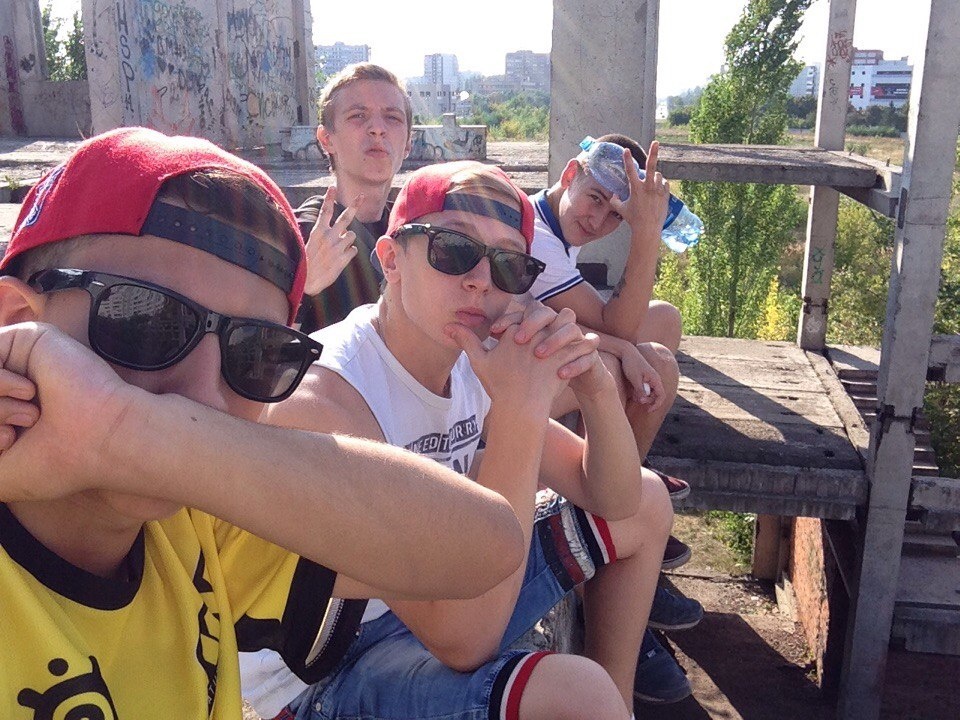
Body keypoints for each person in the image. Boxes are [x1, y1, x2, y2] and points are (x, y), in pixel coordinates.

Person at [0, 128, 527, 719]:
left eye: (254, 353)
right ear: (18, 320)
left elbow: (485, 545)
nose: (203, 399)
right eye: (146, 321)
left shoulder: (195, 524)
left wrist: (121, 428)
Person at [246, 161, 686, 720]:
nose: (481, 280)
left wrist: (592, 383)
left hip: (429, 604)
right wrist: (522, 410)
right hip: (321, 671)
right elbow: (465, 638)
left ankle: (623, 702)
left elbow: (617, 498)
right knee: (576, 695)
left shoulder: (466, 361)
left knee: (649, 501)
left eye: (508, 264)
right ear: (390, 260)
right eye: (452, 250)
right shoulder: (329, 397)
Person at [296, 62, 413, 333]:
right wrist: (303, 287)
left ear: (409, 142)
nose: (377, 129)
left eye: (392, 118)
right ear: (326, 139)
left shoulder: (415, 236)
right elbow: (256, 350)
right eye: (358, 115)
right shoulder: (297, 236)